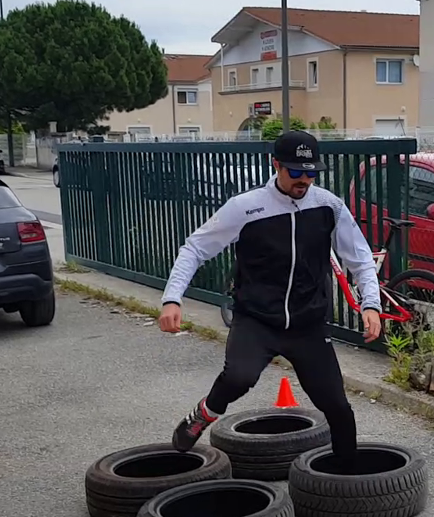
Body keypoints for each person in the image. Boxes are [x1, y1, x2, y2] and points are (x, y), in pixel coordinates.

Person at [158, 129, 381, 474]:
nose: (304, 180)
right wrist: (172, 298)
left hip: (307, 324)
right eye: (295, 172)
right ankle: (204, 413)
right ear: (275, 164)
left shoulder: (328, 206)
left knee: (336, 405)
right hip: (256, 319)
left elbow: (360, 257)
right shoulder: (245, 208)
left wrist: (371, 303)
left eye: (311, 172)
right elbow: (195, 248)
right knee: (239, 377)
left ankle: (346, 482)